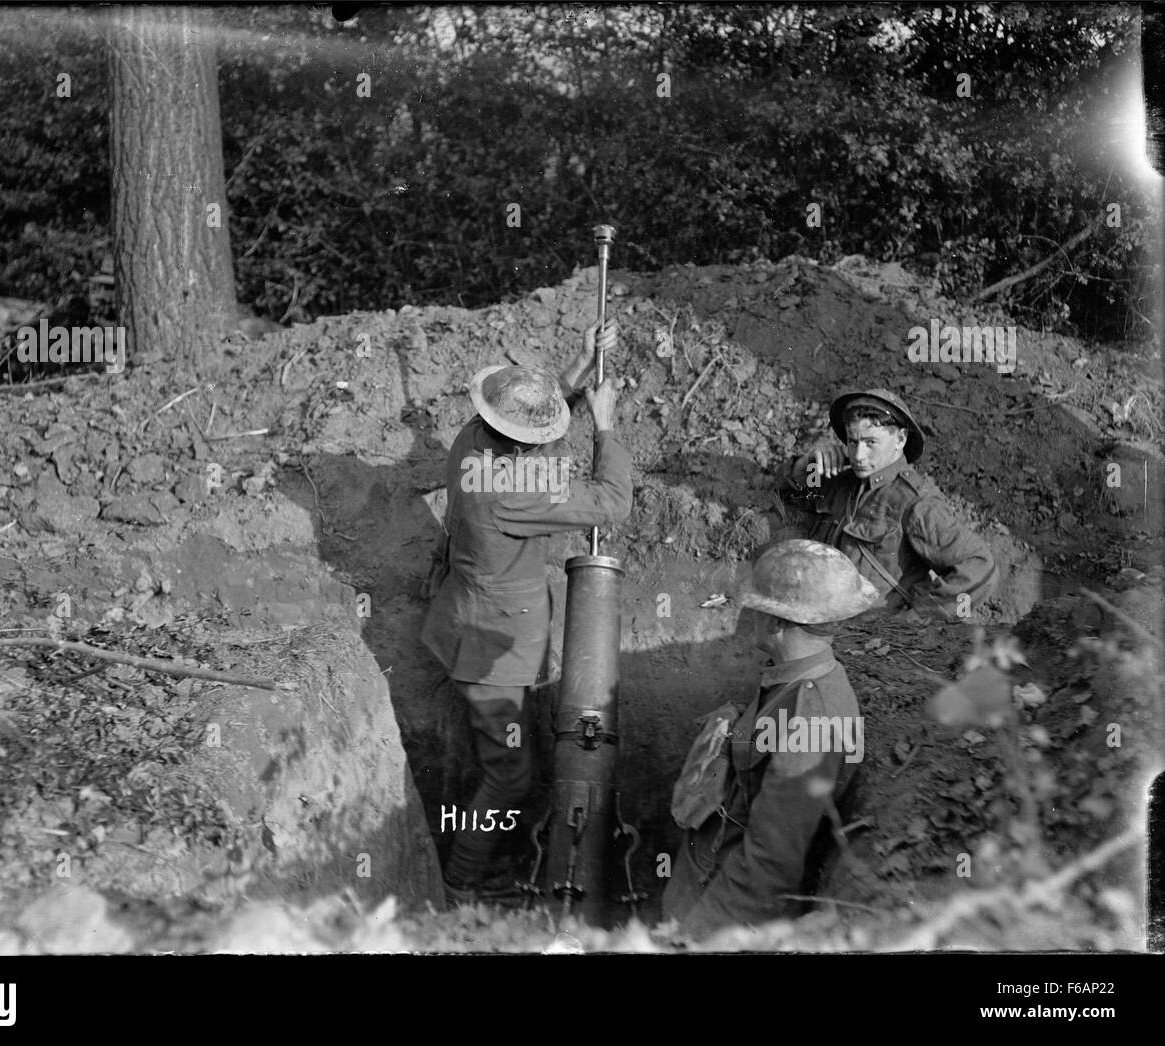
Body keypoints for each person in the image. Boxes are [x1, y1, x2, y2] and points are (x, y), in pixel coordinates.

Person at [420, 319, 633, 905]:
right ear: (523, 446)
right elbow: (610, 502)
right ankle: (465, 878)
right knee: (509, 776)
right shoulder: (514, 491)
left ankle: (484, 864)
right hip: (492, 649)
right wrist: (606, 425)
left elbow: (531, 421)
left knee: (508, 762)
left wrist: (583, 363)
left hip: (472, 620)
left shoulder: (473, 439)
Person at [662, 539, 881, 941]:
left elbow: (771, 863)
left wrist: (692, 938)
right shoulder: (795, 680)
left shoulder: (813, 716)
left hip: (721, 912)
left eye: (758, 608)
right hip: (704, 877)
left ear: (778, 622)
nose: (750, 616)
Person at [778, 388, 997, 619]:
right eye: (853, 442)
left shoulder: (915, 502)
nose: (859, 455)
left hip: (871, 634)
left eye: (871, 442)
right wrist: (809, 464)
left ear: (900, 439)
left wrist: (916, 622)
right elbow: (792, 497)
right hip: (820, 619)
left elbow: (981, 567)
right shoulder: (842, 483)